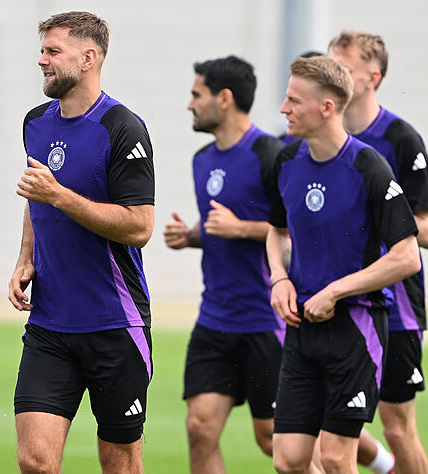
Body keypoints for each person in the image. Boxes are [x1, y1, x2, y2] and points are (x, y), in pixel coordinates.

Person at [7, 11, 155, 474]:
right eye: (42, 50)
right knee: (35, 462)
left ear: (88, 58)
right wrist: (26, 257)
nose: (41, 60)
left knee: (118, 461)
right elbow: (37, 196)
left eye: (53, 51)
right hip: (50, 323)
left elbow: (139, 226)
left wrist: (61, 196)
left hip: (115, 323)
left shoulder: (122, 128)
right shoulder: (35, 123)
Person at [267, 56, 421, 474]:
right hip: (302, 328)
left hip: (356, 326)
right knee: (289, 459)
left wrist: (336, 291)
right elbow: (276, 231)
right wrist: (279, 278)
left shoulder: (368, 166)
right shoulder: (286, 161)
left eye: (294, 101)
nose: (283, 108)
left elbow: (407, 256)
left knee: (337, 459)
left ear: (327, 107)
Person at [163, 56, 285, 473]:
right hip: (215, 319)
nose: (189, 104)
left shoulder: (271, 155)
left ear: (225, 98)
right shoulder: (202, 160)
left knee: (274, 440)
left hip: (267, 321)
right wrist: (191, 236)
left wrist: (242, 228)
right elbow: (218, 223)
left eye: (196, 95)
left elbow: (300, 235)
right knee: (200, 428)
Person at [328, 30, 428, 474]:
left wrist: (373, 219)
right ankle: (383, 468)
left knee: (397, 426)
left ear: (372, 77)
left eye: (344, 68)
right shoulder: (321, 138)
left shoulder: (399, 138)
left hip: (396, 308)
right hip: (336, 302)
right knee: (323, 421)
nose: (333, 75)